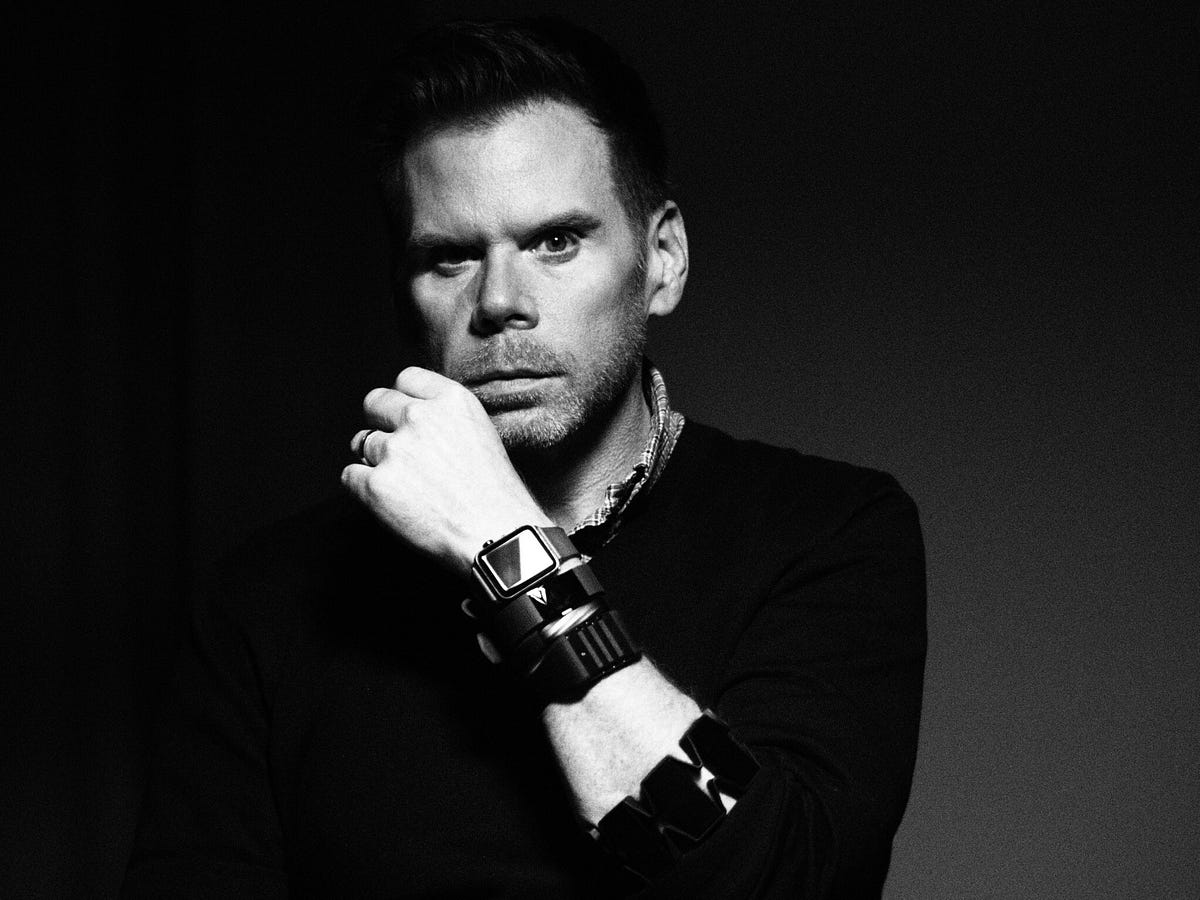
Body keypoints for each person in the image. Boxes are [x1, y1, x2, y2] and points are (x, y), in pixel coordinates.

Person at [123, 16, 926, 899]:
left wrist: (503, 540)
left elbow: (788, 881)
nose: (501, 300)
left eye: (556, 241)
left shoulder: (827, 533)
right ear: (401, 291)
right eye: (451, 257)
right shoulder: (267, 602)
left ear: (662, 259)